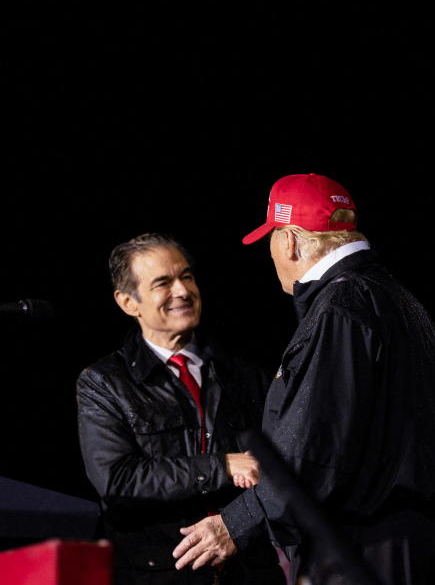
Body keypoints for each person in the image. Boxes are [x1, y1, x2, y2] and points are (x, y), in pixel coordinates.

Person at [172, 174, 435, 584]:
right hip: (416, 539)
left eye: (271, 238)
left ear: (291, 242)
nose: (272, 253)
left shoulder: (340, 307)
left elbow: (314, 450)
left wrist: (234, 524)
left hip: (367, 545)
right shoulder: (392, 296)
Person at [77, 233, 287, 584]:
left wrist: (240, 529)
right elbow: (117, 480)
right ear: (128, 302)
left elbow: (283, 468)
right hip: (161, 573)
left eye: (186, 276)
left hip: (250, 570)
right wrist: (221, 465)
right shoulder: (103, 383)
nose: (183, 291)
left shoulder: (245, 373)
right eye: (163, 283)